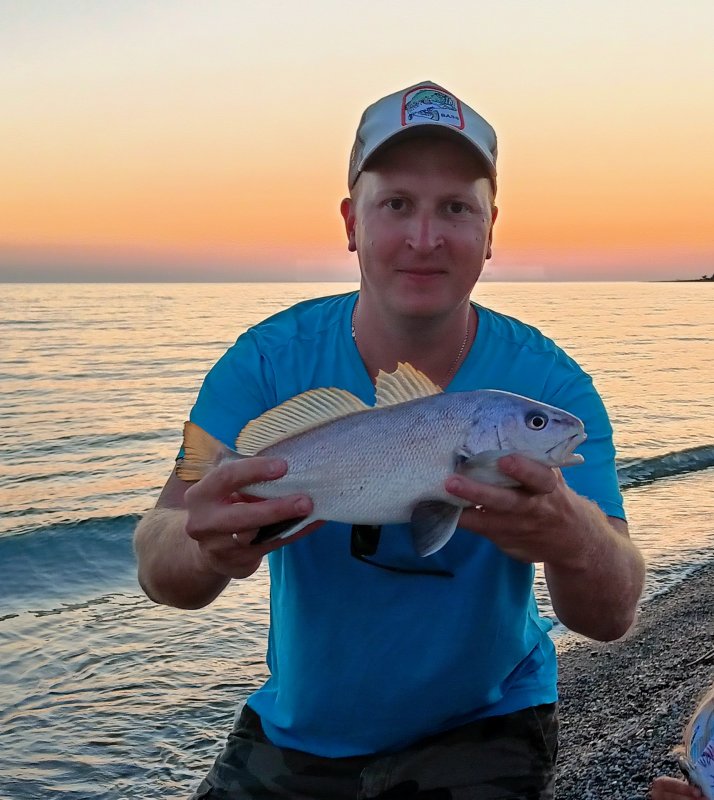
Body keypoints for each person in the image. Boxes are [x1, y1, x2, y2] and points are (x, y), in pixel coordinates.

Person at [134, 80, 646, 799]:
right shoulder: (267, 359)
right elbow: (160, 567)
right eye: (397, 203)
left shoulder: (551, 384)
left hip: (487, 721)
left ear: (491, 229)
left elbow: (612, 617)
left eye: (456, 208)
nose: (424, 238)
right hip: (298, 724)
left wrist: (573, 536)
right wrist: (204, 545)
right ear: (352, 221)